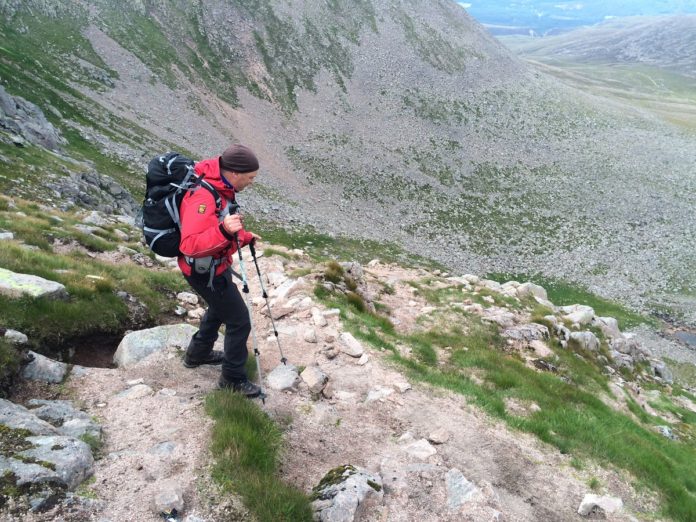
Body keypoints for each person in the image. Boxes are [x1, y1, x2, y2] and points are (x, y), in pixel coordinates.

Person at [177, 143, 262, 398]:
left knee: (219, 308)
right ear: (235, 173)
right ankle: (232, 379)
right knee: (239, 320)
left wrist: (243, 236)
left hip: (215, 266)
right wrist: (225, 231)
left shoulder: (220, 187)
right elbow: (190, 245)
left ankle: (197, 354)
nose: (251, 183)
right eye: (250, 178)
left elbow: (218, 225)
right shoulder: (203, 196)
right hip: (203, 271)